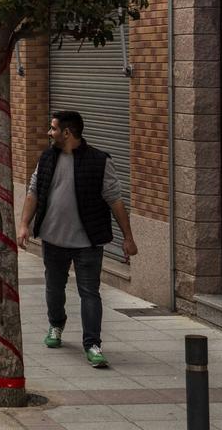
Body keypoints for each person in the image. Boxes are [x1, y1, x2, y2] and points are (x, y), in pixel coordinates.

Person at [18, 110, 139, 369]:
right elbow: (33, 192)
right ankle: (56, 325)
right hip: (53, 239)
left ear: (67, 133)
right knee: (54, 287)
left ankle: (93, 344)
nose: (49, 133)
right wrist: (24, 225)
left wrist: (128, 238)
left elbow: (115, 200)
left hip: (88, 242)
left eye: (53, 129)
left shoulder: (99, 161)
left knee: (90, 293)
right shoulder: (47, 158)